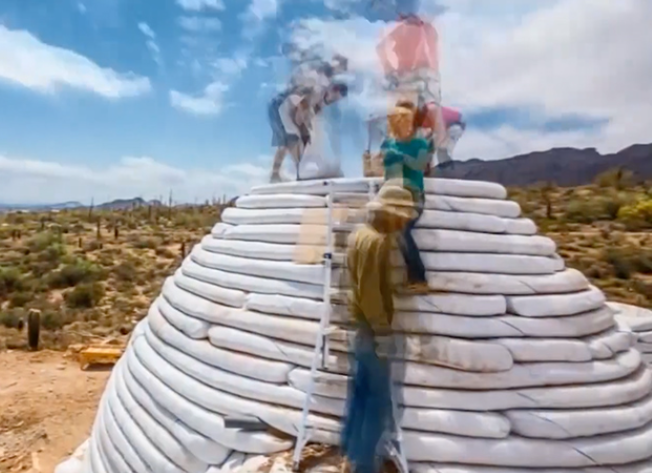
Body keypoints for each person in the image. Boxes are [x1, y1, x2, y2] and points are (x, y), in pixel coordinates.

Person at [341, 181, 415, 473]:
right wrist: (383, 332)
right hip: (372, 330)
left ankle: (349, 454)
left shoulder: (358, 235)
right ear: (389, 213)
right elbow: (371, 292)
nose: (402, 223)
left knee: (360, 393)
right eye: (400, 217)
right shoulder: (377, 242)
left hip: (360, 326)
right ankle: (363, 466)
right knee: (378, 400)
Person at [380, 101, 432, 293]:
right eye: (401, 121)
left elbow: (420, 165)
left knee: (401, 229)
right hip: (392, 195)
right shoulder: (387, 144)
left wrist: (402, 157)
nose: (407, 125)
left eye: (408, 120)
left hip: (413, 197)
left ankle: (418, 278)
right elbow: (385, 172)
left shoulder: (420, 143)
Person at [268, 88, 312, 183]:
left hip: (275, 108)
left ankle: (276, 174)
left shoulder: (292, 98)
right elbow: (299, 115)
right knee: (291, 140)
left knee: (284, 144)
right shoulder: (304, 99)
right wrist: (305, 128)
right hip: (279, 109)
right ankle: (298, 173)